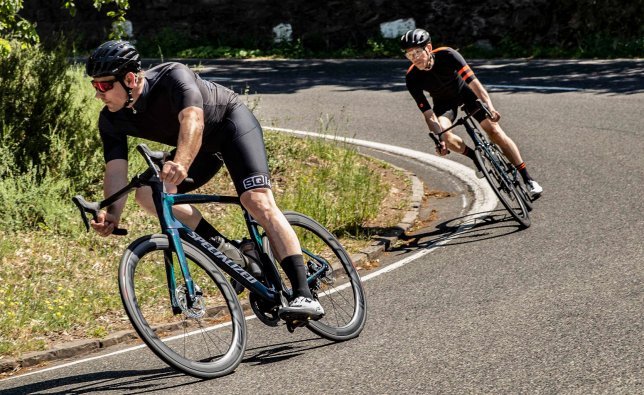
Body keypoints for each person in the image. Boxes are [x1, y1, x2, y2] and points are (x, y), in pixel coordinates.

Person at [85, 40, 323, 320]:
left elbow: (193, 121)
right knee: (149, 195)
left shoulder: (173, 76)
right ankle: (232, 253)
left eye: (104, 86)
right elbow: (116, 170)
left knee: (256, 201)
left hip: (231, 128)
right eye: (94, 86)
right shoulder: (111, 119)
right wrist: (113, 214)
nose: (99, 94)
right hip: (200, 149)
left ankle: (303, 293)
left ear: (129, 78)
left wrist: (181, 164)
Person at [400, 29, 543, 197]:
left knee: (494, 131)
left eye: (417, 52)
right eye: (409, 55)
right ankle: (476, 158)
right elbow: (429, 114)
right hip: (444, 103)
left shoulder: (448, 54)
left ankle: (528, 179)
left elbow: (475, 84)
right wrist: (440, 139)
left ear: (428, 48)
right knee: (445, 135)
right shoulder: (412, 77)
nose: (415, 58)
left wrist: (489, 106)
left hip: (466, 93)